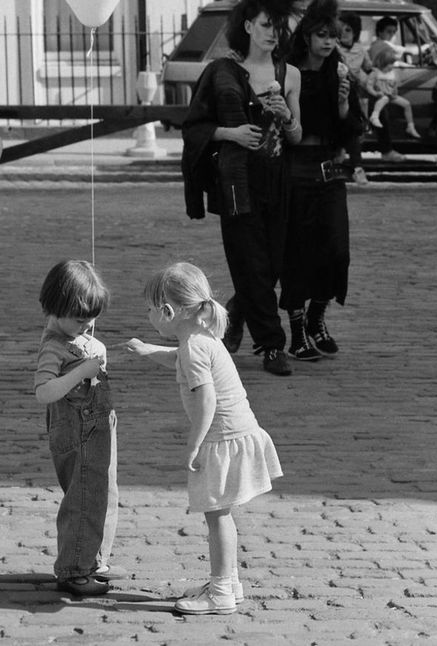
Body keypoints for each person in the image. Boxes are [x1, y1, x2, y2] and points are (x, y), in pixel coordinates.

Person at [122, 261, 282, 615]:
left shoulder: (194, 347)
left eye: (150, 309)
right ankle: (230, 583)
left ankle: (222, 592)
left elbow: (206, 399)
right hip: (237, 433)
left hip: (222, 439)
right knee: (221, 513)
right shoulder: (199, 339)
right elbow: (181, 359)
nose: (148, 315)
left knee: (216, 516)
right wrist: (150, 350)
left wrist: (194, 443)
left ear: (167, 312)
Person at [181, 0, 303, 377]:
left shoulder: (290, 73)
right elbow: (195, 126)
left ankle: (233, 314)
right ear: (248, 25)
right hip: (237, 181)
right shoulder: (221, 71)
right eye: (267, 25)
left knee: (272, 265)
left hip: (277, 179)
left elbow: (297, 134)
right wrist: (231, 132)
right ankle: (272, 346)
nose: (274, 33)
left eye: (279, 26)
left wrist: (286, 118)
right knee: (249, 263)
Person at [279, 0, 365, 362]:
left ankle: (317, 317)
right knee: (297, 253)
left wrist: (344, 103)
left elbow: (352, 129)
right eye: (323, 35)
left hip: (329, 170)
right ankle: (296, 331)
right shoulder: (289, 72)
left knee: (336, 252)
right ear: (308, 37)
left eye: (334, 35)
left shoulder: (340, 73)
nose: (330, 42)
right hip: (295, 168)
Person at [34, 259, 120, 597]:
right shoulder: (54, 346)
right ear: (57, 309)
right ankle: (73, 568)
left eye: (92, 318)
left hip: (99, 427)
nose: (88, 325)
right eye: (80, 319)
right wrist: (80, 373)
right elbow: (44, 392)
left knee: (105, 494)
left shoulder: (76, 333)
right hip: (77, 431)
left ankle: (93, 559)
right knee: (84, 496)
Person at [338, 11, 374, 184]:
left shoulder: (360, 49)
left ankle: (356, 167)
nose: (343, 34)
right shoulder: (334, 48)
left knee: (356, 130)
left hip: (357, 95)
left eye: (348, 30)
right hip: (340, 92)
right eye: (340, 29)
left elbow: (369, 68)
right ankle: (347, 165)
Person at [366, 47, 420, 139]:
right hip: (381, 95)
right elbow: (369, 86)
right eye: (390, 64)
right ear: (383, 63)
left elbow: (394, 86)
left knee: (407, 104)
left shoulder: (392, 73)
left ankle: (410, 126)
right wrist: (375, 93)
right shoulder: (376, 73)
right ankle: (374, 116)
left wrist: (395, 91)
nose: (391, 66)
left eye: (392, 64)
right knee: (384, 99)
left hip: (391, 96)